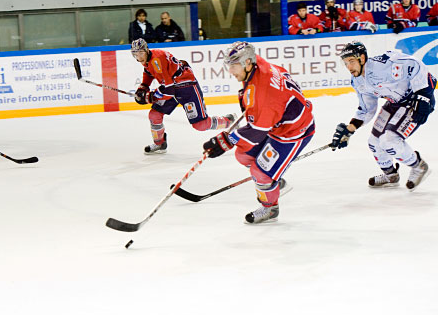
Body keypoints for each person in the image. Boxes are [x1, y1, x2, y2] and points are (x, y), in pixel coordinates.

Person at [202, 41, 315, 224]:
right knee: (243, 155)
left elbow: (258, 130)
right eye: (229, 66)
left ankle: (270, 208)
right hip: (276, 123)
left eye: (233, 66)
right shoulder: (256, 64)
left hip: (292, 132)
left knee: (259, 172)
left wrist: (224, 141)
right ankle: (274, 180)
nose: (230, 71)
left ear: (247, 63)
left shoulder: (266, 94)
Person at [330, 41, 434, 190]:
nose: (349, 67)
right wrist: (349, 129)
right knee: (374, 142)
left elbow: (415, 64)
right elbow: (367, 109)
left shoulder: (383, 66)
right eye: (346, 63)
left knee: (389, 140)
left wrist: (424, 95)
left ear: (362, 58)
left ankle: (419, 166)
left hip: (414, 101)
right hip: (394, 104)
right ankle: (391, 175)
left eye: (351, 61)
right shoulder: (358, 81)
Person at [130, 38, 236, 154]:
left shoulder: (156, 59)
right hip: (172, 86)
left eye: (141, 53)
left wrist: (149, 97)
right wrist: (143, 87)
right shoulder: (148, 60)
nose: (139, 57)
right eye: (136, 54)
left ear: (146, 50)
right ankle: (160, 143)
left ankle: (229, 121)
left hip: (186, 87)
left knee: (200, 125)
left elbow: (168, 90)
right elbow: (149, 73)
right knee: (154, 115)